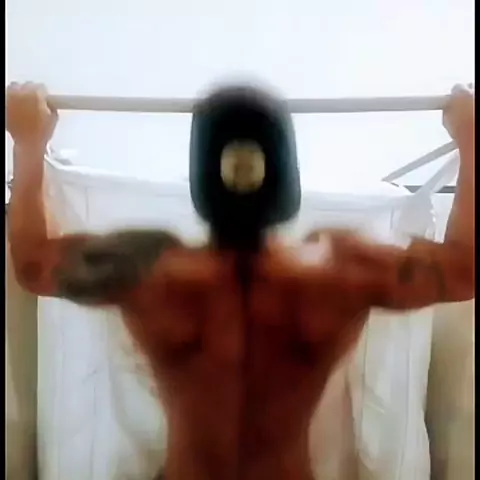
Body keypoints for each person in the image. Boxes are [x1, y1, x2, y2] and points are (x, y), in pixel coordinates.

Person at [6, 82, 475, 480]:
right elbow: (463, 270)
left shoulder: (151, 270)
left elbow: (32, 264)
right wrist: (472, 142)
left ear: (202, 175)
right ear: (287, 174)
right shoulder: (339, 272)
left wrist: (28, 144)